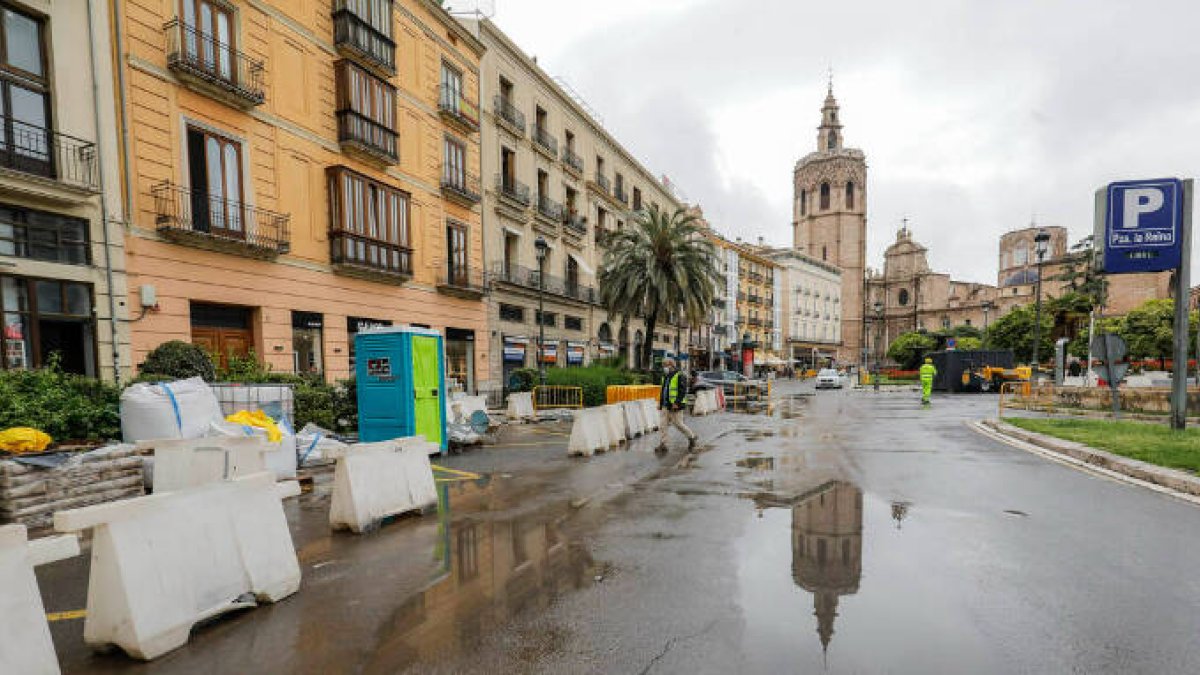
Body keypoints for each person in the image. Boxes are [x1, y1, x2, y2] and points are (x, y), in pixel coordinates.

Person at [658, 357, 697, 452]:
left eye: (665, 365)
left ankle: (691, 437)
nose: (664, 367)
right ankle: (663, 444)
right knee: (662, 425)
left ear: (671, 365)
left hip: (675, 405)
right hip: (665, 405)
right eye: (663, 365)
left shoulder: (680, 375)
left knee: (678, 424)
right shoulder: (665, 376)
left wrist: (677, 403)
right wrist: (661, 403)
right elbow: (664, 391)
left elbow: (682, 391)